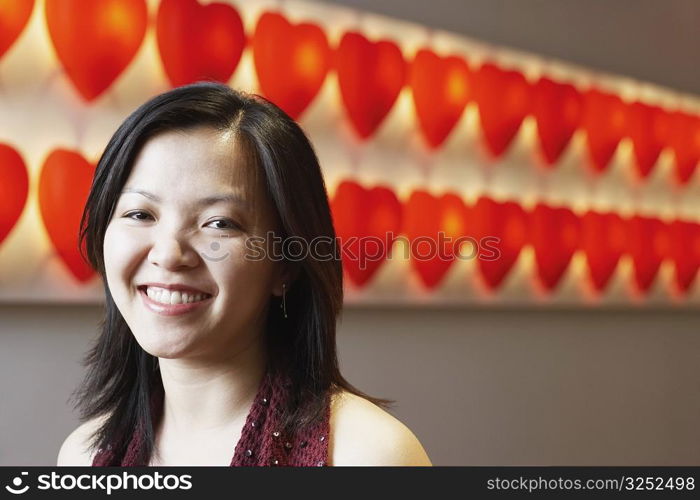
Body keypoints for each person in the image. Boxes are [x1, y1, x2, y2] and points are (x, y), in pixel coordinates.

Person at [56, 82, 431, 466]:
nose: (169, 254)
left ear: (285, 263)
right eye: (140, 214)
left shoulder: (369, 456)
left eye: (219, 223)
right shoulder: (83, 456)